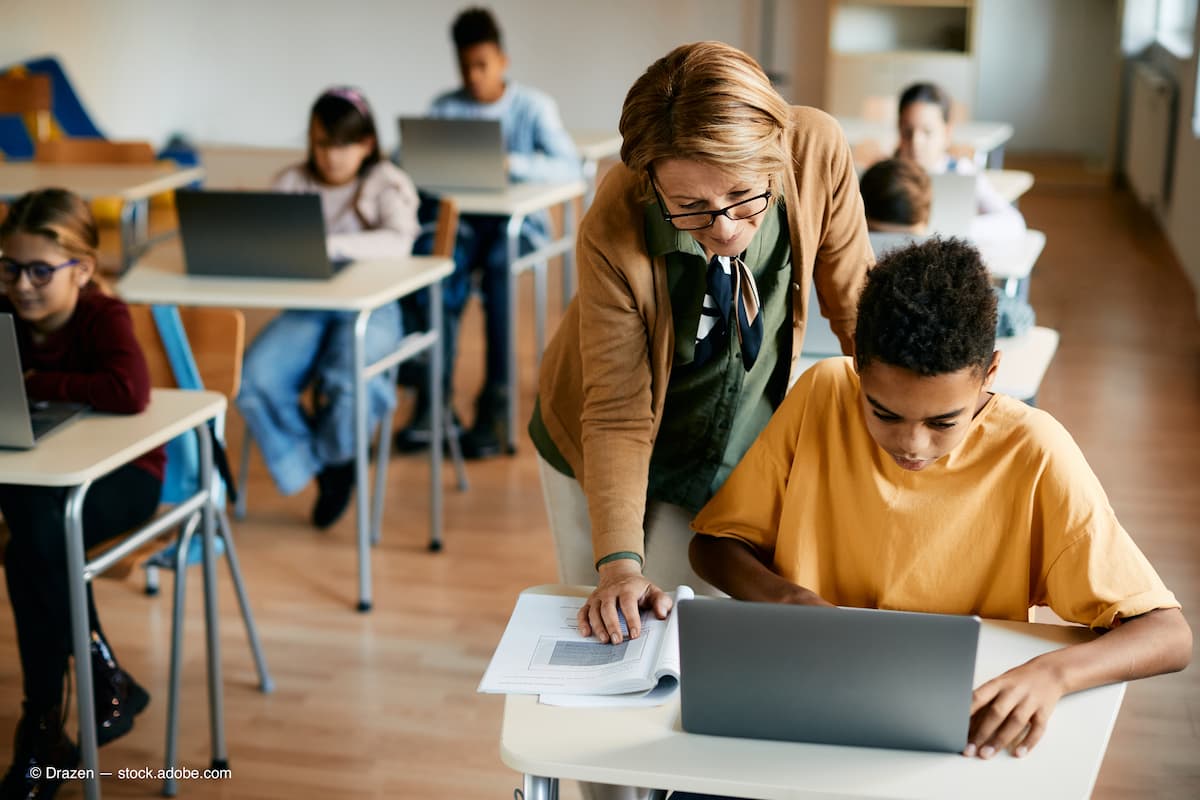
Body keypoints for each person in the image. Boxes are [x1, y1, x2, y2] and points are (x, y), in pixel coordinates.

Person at [689, 237, 1191, 769]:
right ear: (857, 359)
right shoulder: (822, 393)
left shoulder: (1034, 451)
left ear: (990, 375)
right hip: (803, 703)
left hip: (950, 736)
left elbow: (1167, 635)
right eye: (884, 414)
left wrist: (1053, 673)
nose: (912, 444)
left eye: (943, 422)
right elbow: (714, 544)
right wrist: (789, 601)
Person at [530, 40, 873, 800]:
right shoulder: (617, 216)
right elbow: (617, 412)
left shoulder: (815, 151)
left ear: (775, 154)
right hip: (596, 434)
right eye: (689, 206)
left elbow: (858, 313)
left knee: (698, 642)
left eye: (745, 197)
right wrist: (619, 563)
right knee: (612, 645)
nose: (721, 228)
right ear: (650, 179)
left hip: (733, 430)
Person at [0, 189, 163, 798]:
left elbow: (129, 390)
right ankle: (96, 680)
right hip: (41, 481)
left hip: (125, 480)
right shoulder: (5, 312)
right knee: (32, 527)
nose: (22, 285)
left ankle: (44, 727)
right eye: (9, 267)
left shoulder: (103, 315)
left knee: (29, 544)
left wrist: (41, 381)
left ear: (85, 270)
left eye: (41, 270)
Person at [393, 6, 580, 459]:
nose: (474, 76)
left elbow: (570, 167)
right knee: (441, 272)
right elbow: (405, 161)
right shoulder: (445, 107)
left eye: (482, 65)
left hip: (517, 228)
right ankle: (434, 401)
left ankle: (494, 405)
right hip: (462, 224)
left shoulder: (533, 108)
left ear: (502, 60)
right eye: (466, 67)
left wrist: (510, 164)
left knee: (500, 272)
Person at [236, 87, 419, 529]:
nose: (331, 156)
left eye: (343, 145)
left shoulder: (387, 183)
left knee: (348, 379)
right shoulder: (291, 183)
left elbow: (400, 240)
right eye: (321, 144)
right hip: (308, 307)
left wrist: (326, 244)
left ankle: (338, 457)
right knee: (253, 379)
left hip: (372, 310)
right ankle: (321, 463)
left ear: (367, 144)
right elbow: (267, 240)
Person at [895, 82, 1025, 244]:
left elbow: (1013, 223)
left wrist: (953, 228)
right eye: (907, 131)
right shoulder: (886, 174)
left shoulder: (962, 173)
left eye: (927, 132)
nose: (916, 142)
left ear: (947, 132)